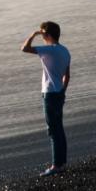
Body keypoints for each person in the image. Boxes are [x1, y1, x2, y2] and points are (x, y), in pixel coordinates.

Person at [21, 20, 71, 176]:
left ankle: (56, 165)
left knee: (53, 130)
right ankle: (61, 162)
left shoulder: (49, 50)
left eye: (43, 34)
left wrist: (34, 34)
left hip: (50, 93)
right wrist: (63, 90)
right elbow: (67, 76)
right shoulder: (65, 51)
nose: (42, 37)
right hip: (59, 92)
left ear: (47, 34)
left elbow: (24, 48)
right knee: (59, 129)